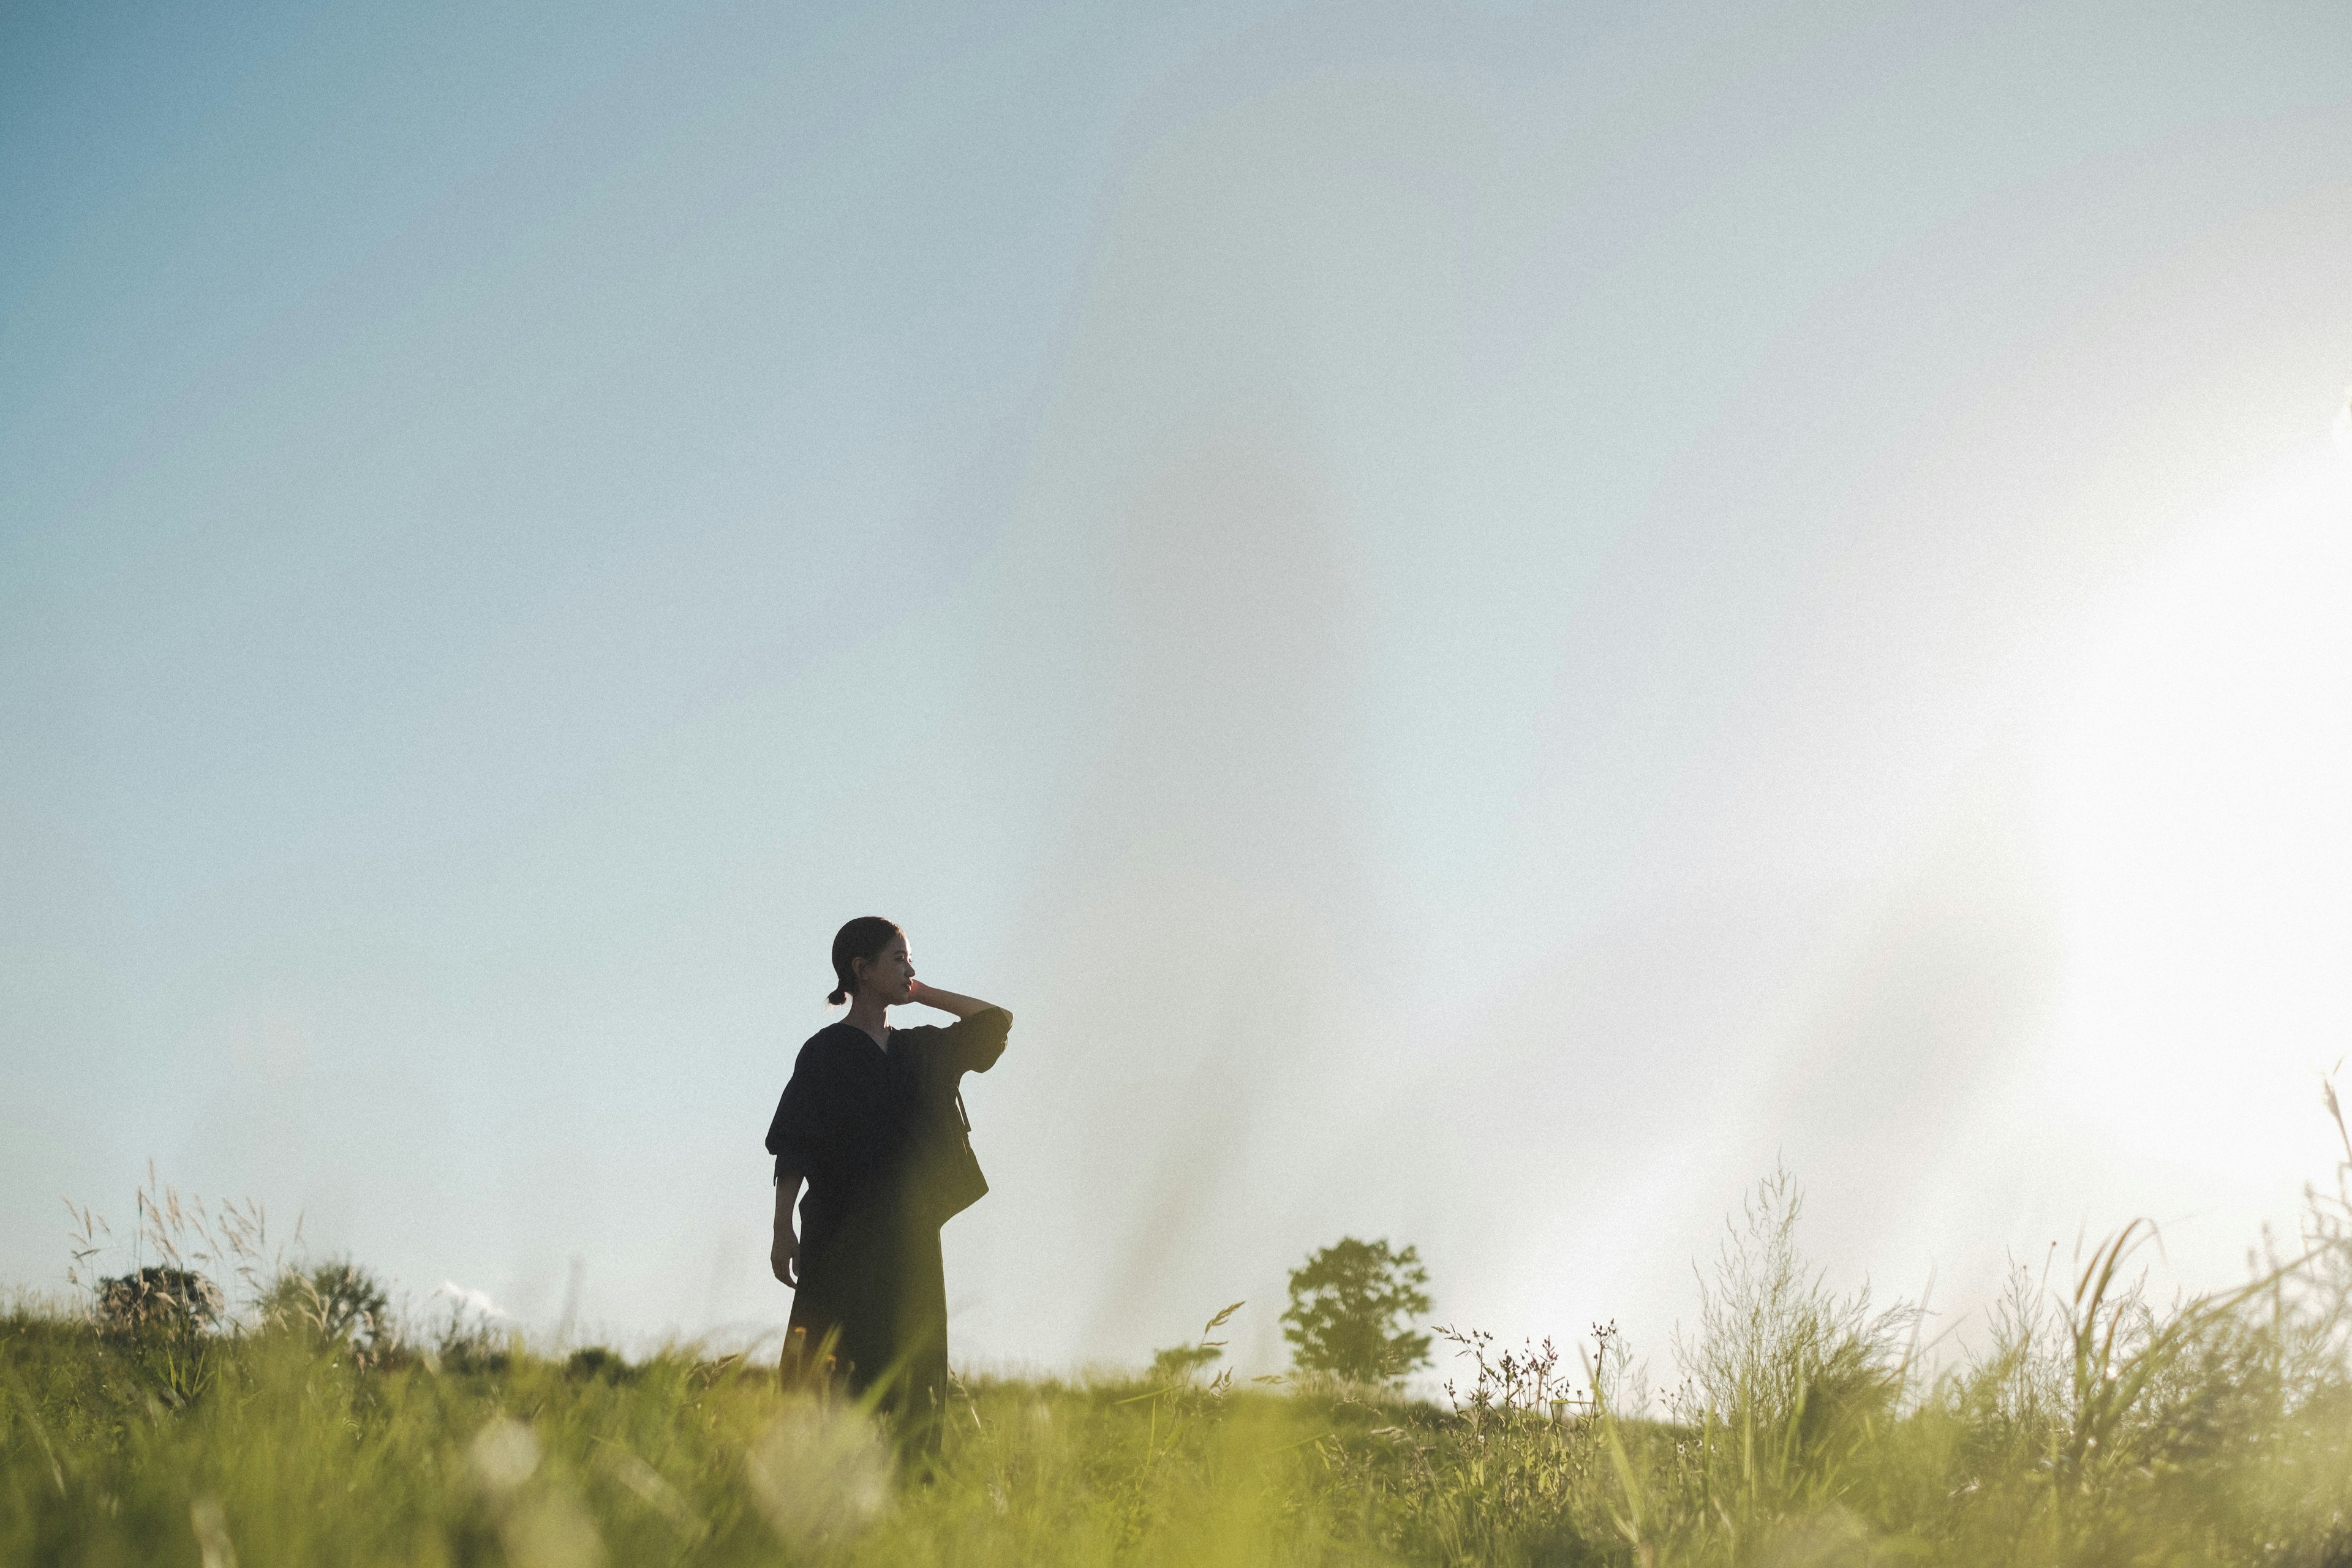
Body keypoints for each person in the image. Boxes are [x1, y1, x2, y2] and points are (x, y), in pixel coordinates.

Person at [766, 916, 1010, 1439]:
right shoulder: (824, 1053)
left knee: (913, 1374)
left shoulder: (919, 1050)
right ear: (862, 969)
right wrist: (782, 1228)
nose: (910, 968)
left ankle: (911, 1493)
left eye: (910, 959)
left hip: (911, 1239)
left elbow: (994, 1023)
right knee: (826, 1368)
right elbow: (793, 1144)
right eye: (898, 959)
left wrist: (920, 994)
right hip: (838, 1238)